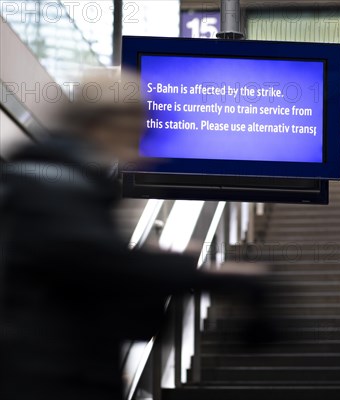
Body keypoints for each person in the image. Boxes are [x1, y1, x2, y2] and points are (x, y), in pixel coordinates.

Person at [0, 70, 270, 400]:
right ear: (104, 123)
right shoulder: (51, 182)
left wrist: (158, 270)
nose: (145, 152)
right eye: (135, 131)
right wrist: (192, 272)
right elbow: (91, 258)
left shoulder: (70, 185)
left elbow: (105, 294)